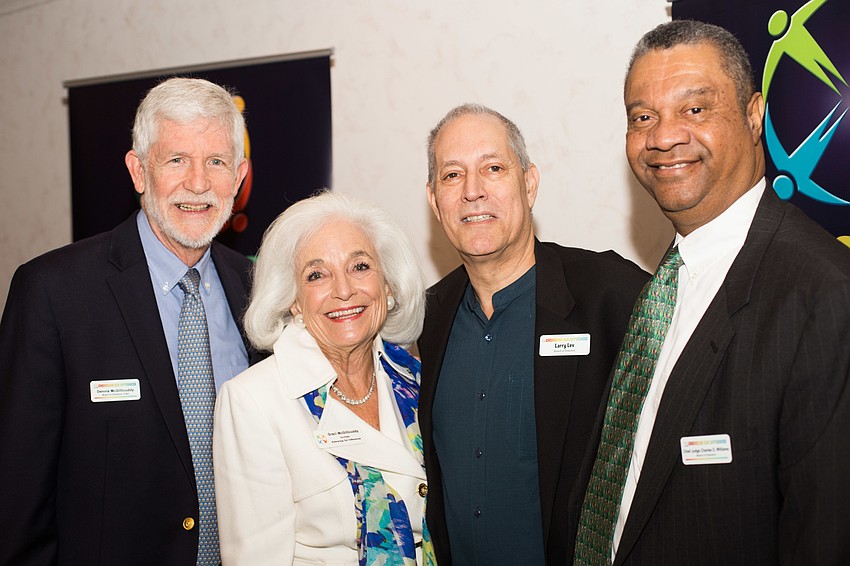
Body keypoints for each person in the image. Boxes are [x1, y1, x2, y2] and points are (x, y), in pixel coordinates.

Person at [571, 20, 850, 565]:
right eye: (642, 117)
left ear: (754, 116)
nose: (664, 135)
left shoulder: (823, 296)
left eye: (694, 109)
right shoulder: (660, 288)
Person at [0, 77, 260, 565]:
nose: (199, 183)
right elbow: (16, 499)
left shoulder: (259, 290)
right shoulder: (53, 293)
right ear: (139, 171)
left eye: (217, 162)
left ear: (240, 175)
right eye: (177, 159)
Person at [418, 104, 649, 565]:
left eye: (494, 168)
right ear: (433, 200)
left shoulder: (611, 295)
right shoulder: (425, 320)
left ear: (529, 184)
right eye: (452, 176)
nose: (472, 192)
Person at [214, 190, 434, 565]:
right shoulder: (253, 401)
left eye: (360, 266)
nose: (344, 290)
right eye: (317, 275)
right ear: (294, 300)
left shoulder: (421, 380)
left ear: (389, 286)